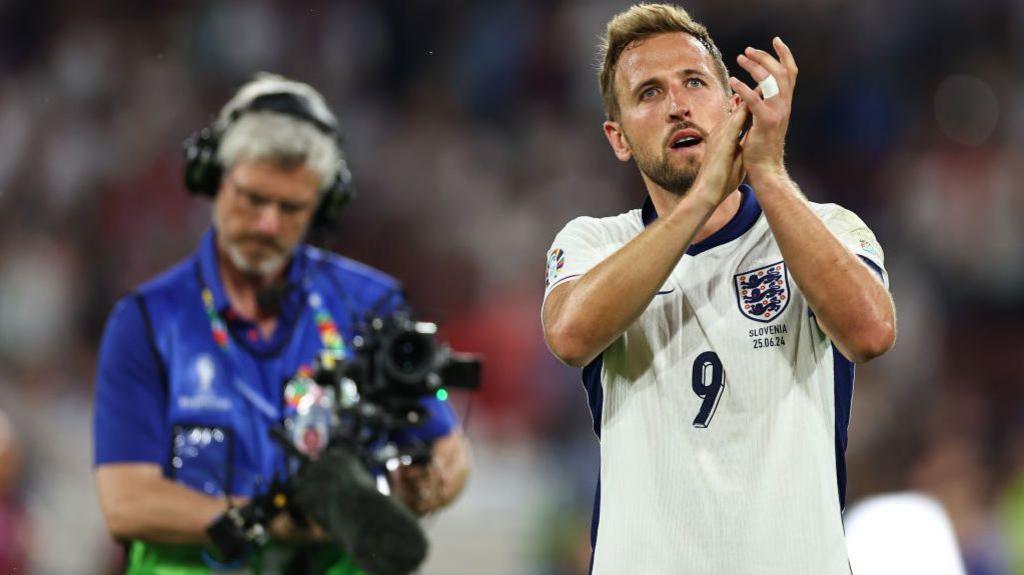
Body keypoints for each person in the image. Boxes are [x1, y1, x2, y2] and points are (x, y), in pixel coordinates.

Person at [541, 4, 896, 574]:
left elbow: (872, 332)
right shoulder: (594, 243)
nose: (678, 105)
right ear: (619, 138)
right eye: (649, 93)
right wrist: (702, 198)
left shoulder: (824, 227)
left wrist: (770, 173)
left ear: (734, 104)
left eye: (694, 82)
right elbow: (570, 333)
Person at [93, 73, 470, 574]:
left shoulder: (372, 305)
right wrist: (273, 520)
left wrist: (426, 485)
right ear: (213, 180)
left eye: (291, 207)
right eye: (252, 198)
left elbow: (448, 449)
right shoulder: (146, 322)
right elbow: (126, 504)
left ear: (323, 205)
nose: (267, 223)